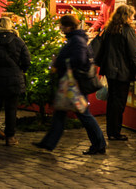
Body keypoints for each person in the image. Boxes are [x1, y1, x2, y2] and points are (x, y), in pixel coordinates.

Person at [33, 15, 107, 155]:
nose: (60, 28)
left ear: (69, 26)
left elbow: (79, 59)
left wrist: (59, 62)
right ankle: (48, 143)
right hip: (70, 84)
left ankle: (99, 144)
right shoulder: (75, 39)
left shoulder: (77, 40)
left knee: (83, 115)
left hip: (74, 85)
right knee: (60, 113)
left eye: (62, 25)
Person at [94, 5, 136, 141]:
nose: (133, 18)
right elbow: (134, 53)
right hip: (122, 71)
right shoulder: (127, 30)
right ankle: (115, 132)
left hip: (110, 71)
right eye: (132, 15)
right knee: (119, 102)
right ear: (126, 16)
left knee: (112, 100)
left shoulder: (109, 29)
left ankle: (111, 130)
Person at [0, 17, 30, 146]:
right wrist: (19, 70)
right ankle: (10, 137)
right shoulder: (18, 41)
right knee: (11, 110)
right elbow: (26, 61)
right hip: (14, 80)